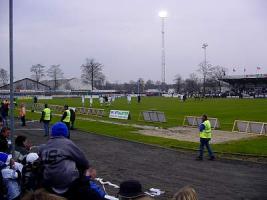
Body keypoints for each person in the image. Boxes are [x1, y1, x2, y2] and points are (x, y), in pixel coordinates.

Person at [39, 122, 101, 200]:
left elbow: (41, 156)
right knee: (82, 170)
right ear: (66, 133)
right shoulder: (67, 143)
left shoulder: (46, 145)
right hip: (66, 183)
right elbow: (83, 160)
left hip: (49, 181)